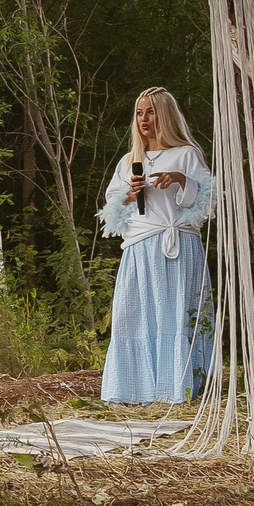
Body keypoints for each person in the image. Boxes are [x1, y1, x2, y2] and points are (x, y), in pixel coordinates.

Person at [96, 86, 216, 404]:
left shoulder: (186, 154)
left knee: (176, 314)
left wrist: (181, 179)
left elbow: (208, 200)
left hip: (178, 245)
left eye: (151, 112)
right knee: (132, 316)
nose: (144, 119)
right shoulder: (129, 161)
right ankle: (134, 389)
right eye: (139, 112)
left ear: (164, 115)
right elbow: (112, 208)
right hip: (139, 247)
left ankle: (179, 388)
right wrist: (130, 194)